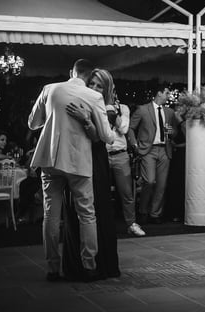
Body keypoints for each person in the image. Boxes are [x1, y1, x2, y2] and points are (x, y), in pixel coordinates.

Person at [28, 59, 113, 282]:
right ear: (89, 76)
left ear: (71, 72)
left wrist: (54, 116)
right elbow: (107, 136)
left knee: (51, 215)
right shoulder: (93, 97)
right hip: (78, 163)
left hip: (50, 160)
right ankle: (89, 266)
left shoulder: (49, 89)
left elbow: (32, 124)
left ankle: (52, 269)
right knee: (87, 214)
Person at [61, 68, 123, 280]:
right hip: (76, 158)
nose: (95, 88)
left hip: (95, 162)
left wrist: (85, 119)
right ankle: (76, 265)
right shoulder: (82, 100)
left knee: (96, 210)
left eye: (99, 86)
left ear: (106, 90)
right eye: (92, 84)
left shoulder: (108, 109)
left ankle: (99, 264)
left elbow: (98, 138)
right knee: (75, 210)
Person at [95, 73, 145, 238]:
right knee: (100, 192)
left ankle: (131, 224)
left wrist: (113, 114)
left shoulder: (123, 108)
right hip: (101, 154)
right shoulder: (96, 106)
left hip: (120, 155)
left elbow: (123, 129)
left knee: (126, 193)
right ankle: (100, 225)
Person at [129, 83, 179, 224]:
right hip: (148, 150)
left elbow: (174, 132)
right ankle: (143, 211)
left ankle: (155, 214)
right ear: (159, 93)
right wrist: (135, 144)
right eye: (167, 93)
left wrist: (172, 132)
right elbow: (131, 128)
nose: (168, 96)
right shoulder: (143, 109)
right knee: (149, 181)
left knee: (161, 185)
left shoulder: (169, 112)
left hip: (165, 150)